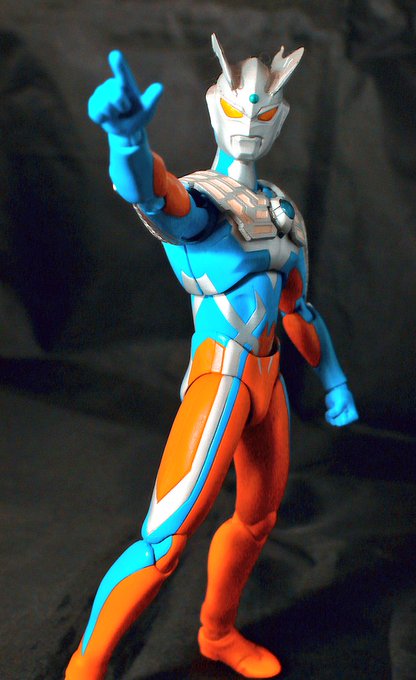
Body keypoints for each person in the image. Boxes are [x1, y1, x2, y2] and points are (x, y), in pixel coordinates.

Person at [66, 34, 358, 680]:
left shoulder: (282, 211)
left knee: (257, 520)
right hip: (222, 377)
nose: (249, 121)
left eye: (263, 111)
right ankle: (85, 667)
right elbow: (158, 197)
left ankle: (217, 633)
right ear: (213, 107)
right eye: (237, 106)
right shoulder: (206, 201)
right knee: (165, 541)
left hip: (270, 382)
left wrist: (333, 378)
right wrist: (128, 142)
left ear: (278, 119)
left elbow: (297, 309)